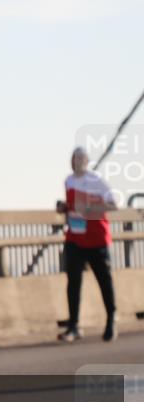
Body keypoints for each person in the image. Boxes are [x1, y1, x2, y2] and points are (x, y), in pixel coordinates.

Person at [56, 146, 119, 342]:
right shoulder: (68, 181)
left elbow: (114, 205)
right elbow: (72, 207)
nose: (77, 162)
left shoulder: (96, 181)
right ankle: (73, 326)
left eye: (81, 158)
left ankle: (111, 320)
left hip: (97, 238)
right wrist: (64, 207)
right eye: (74, 158)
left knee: (104, 281)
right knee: (73, 283)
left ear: (87, 161)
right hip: (75, 238)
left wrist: (90, 206)